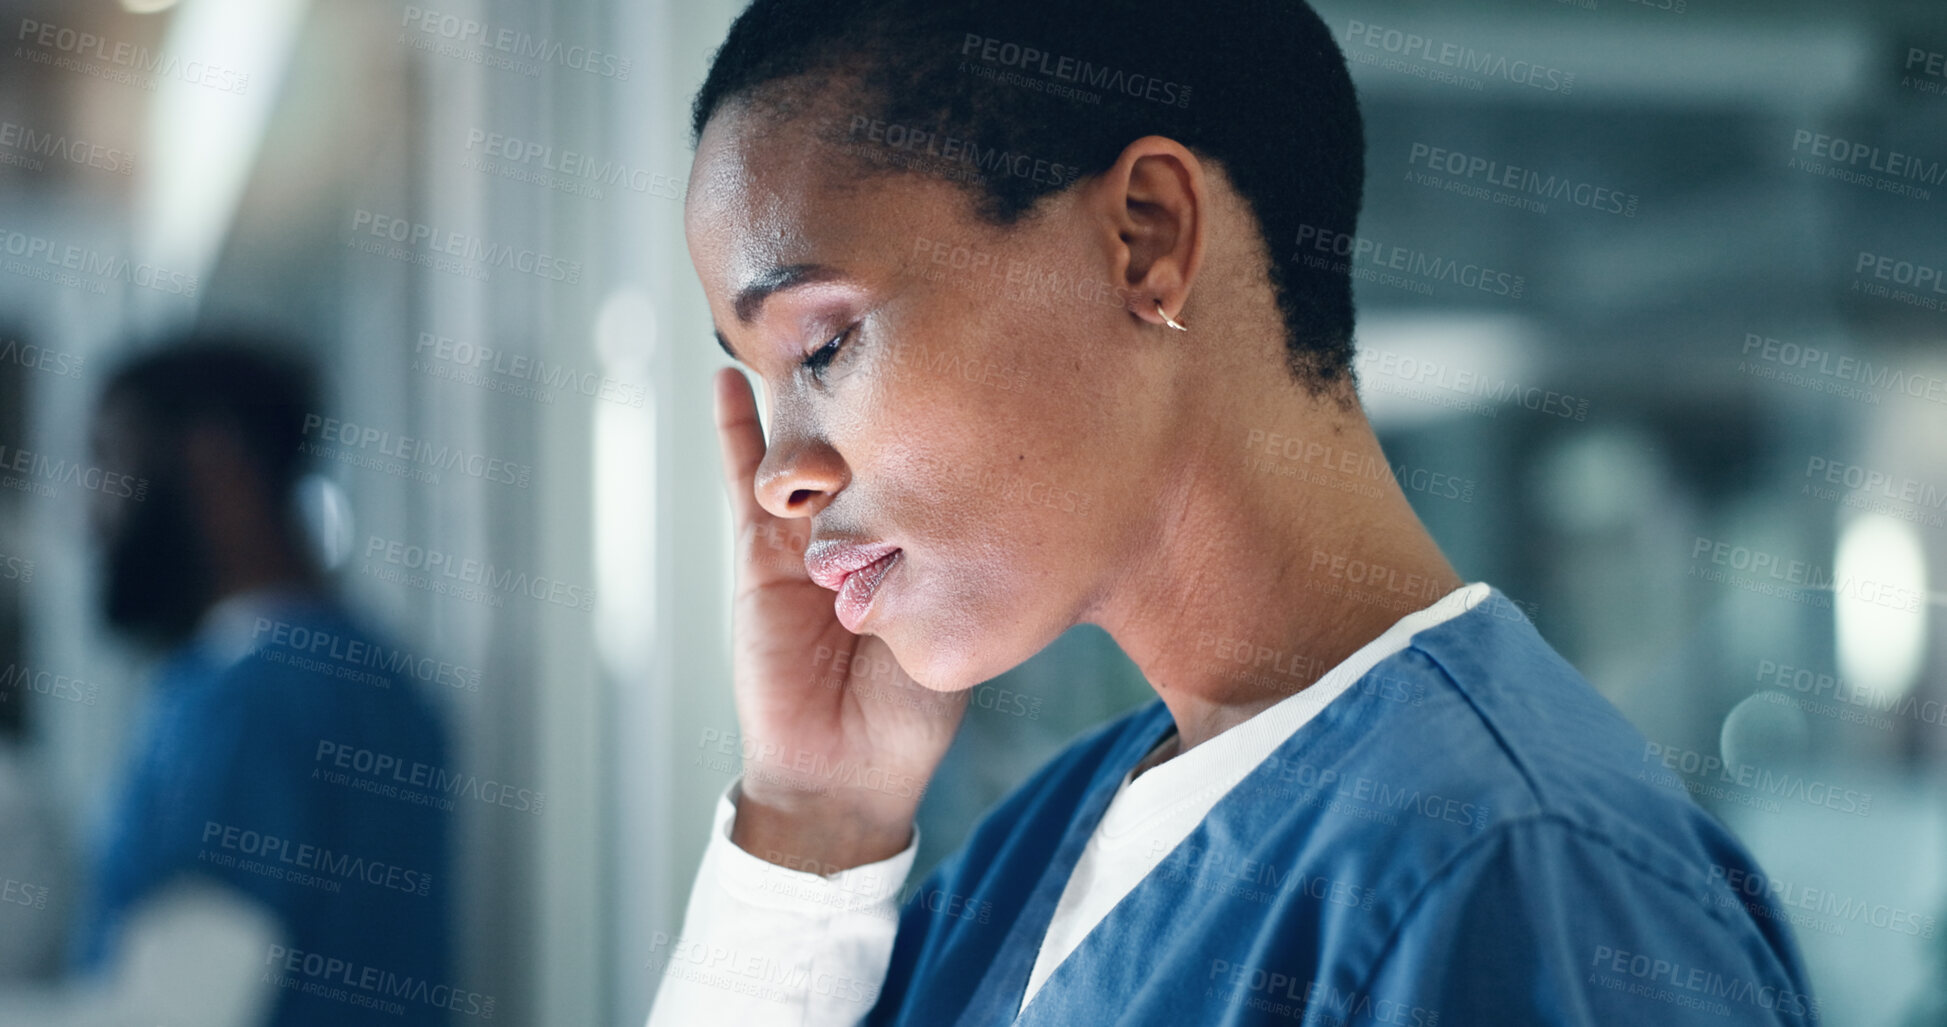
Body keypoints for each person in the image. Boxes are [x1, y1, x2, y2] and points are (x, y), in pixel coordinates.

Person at [649, 0, 1817, 1024]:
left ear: (1147, 236)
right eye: (756, 380)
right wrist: (811, 822)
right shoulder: (1038, 855)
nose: (777, 476)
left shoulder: (1522, 876)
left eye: (825, 342)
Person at [0, 336, 454, 1026]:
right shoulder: (384, 682)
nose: (86, 517)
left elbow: (168, 1014)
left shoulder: (248, 703)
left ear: (214, 467)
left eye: (108, 462)